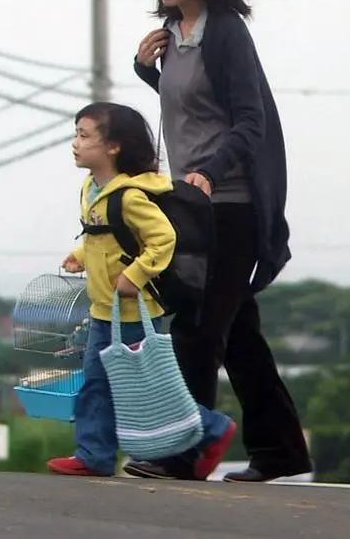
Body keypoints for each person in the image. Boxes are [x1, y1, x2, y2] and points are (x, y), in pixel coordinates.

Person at [123, 0, 313, 483]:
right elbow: (197, 112)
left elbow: (248, 121)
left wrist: (209, 172)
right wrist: (146, 73)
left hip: (230, 203)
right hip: (191, 206)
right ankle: (281, 453)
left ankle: (184, 453)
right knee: (238, 336)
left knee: (200, 328)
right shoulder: (172, 33)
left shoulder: (225, 32)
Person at [46, 102, 237, 479]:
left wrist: (135, 275)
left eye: (84, 136)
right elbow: (102, 236)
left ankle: (213, 430)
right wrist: (80, 254)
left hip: (134, 311)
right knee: (98, 386)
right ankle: (95, 455)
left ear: (114, 146)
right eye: (76, 135)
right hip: (104, 309)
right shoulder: (91, 189)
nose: (75, 144)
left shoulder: (130, 196)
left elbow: (162, 240)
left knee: (148, 389)